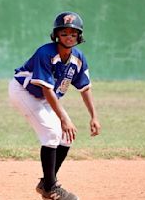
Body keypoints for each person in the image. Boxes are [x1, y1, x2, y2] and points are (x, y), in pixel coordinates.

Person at [8, 11, 101, 200]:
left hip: (45, 97)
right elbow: (47, 90)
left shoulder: (78, 58)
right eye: (64, 33)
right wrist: (64, 118)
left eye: (73, 34)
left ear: (79, 37)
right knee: (51, 133)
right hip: (23, 92)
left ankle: (47, 183)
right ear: (56, 35)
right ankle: (51, 187)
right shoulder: (46, 53)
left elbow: (85, 88)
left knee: (66, 137)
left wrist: (94, 116)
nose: (69, 37)